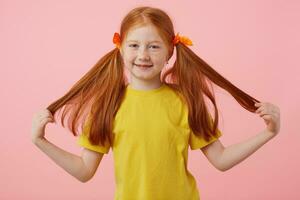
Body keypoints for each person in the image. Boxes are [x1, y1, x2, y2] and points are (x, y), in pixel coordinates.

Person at [31, 6, 281, 200]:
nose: (142, 55)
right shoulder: (108, 105)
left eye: (153, 46)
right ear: (120, 48)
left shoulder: (185, 101)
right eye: (134, 45)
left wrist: (268, 133)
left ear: (170, 52)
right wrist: (40, 141)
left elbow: (221, 159)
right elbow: (85, 171)